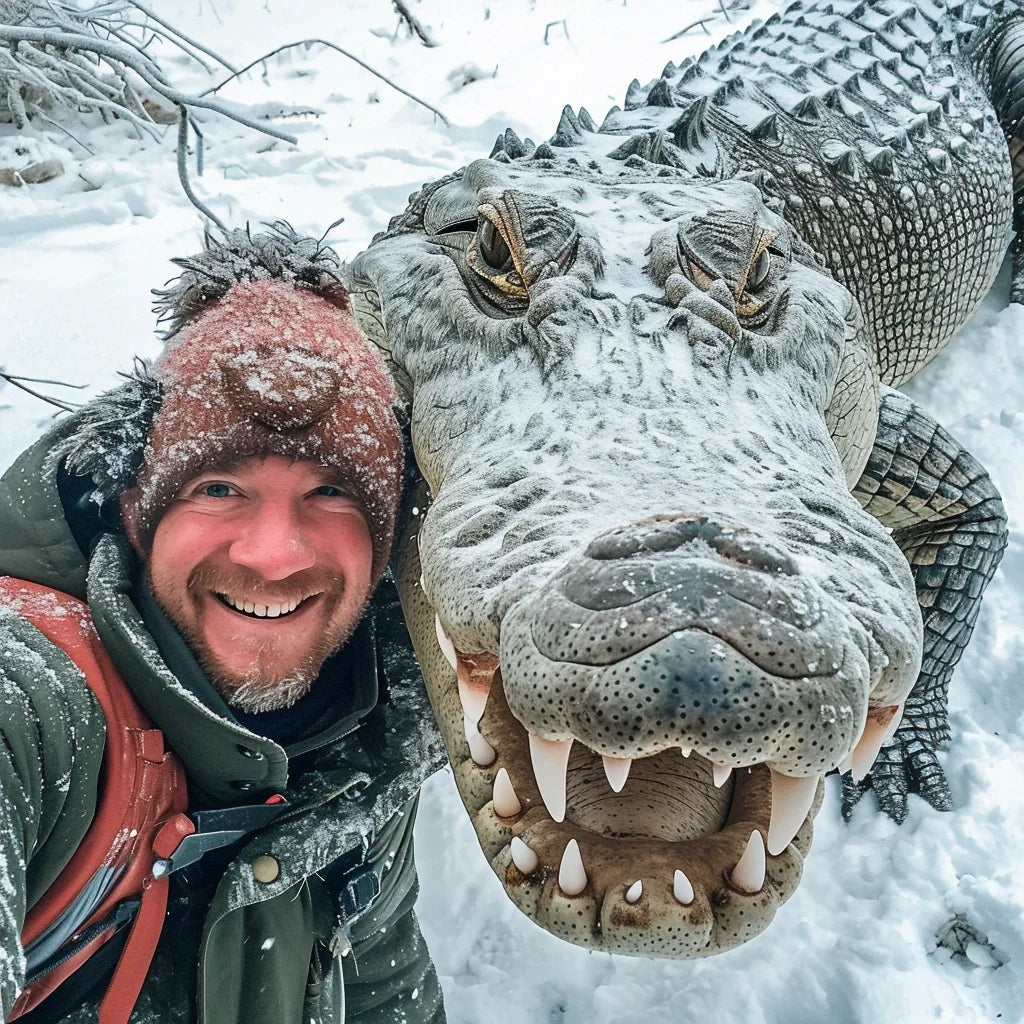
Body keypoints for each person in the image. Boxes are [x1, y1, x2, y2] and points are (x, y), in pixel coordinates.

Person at [0, 225, 447, 1023]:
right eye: (216, 487)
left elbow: (383, 978)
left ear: (383, 547)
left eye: (332, 492)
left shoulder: (368, 736)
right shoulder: (32, 697)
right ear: (139, 512)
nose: (275, 556)